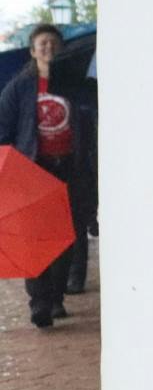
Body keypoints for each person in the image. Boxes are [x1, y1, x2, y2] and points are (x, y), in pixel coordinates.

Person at [2, 24, 96, 329]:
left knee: (66, 236)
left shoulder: (74, 85)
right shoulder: (19, 88)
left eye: (54, 44)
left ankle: (56, 298)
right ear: (32, 51)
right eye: (43, 44)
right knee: (35, 238)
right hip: (33, 170)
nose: (48, 48)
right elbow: (4, 130)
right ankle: (40, 303)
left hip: (70, 168)